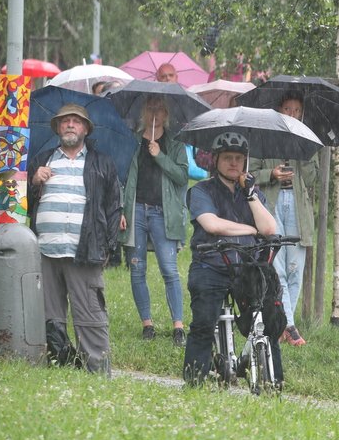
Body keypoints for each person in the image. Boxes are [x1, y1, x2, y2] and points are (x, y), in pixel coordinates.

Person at [27, 104, 122, 375]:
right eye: (65, 121)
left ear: (85, 129)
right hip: (45, 250)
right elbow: (23, 205)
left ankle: (97, 371)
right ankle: (58, 365)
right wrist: (34, 181)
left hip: (85, 250)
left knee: (90, 315)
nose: (70, 125)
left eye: (76, 121)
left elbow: (115, 207)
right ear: (57, 128)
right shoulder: (43, 159)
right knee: (50, 315)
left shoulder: (101, 162)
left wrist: (108, 246)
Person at [183, 132, 280, 386]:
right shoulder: (201, 190)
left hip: (247, 266)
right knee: (203, 323)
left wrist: (250, 194)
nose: (233, 163)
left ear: (245, 162)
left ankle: (275, 381)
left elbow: (269, 228)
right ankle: (194, 381)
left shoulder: (253, 193)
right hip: (210, 264)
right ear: (215, 160)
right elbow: (211, 224)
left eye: (239, 158)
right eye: (227, 158)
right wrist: (249, 230)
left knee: (268, 319)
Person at [248, 92, 318, 346]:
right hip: (273, 205)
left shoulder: (306, 140)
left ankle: (283, 323)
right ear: (279, 110)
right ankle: (288, 325)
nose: (292, 114)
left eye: (296, 110)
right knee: (277, 267)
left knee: (294, 271)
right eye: (287, 109)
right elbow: (251, 174)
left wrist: (303, 153)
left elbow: (312, 179)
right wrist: (272, 174)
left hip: (298, 209)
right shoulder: (265, 137)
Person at [118, 96, 189, 346]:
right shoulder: (133, 142)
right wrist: (122, 211)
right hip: (136, 210)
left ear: (167, 112)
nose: (155, 111)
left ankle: (178, 327)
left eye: (160, 107)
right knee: (137, 270)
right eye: (151, 107)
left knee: (169, 270)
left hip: (163, 213)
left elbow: (182, 177)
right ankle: (147, 324)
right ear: (144, 111)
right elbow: (122, 177)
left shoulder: (175, 144)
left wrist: (160, 155)